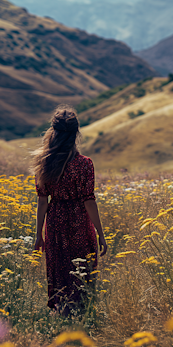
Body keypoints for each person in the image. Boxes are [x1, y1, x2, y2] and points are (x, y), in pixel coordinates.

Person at [31, 105, 107, 315]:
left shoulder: (43, 162)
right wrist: (101, 233)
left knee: (60, 267)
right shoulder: (84, 164)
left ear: (53, 132)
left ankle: (62, 311)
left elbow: (42, 201)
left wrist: (38, 234)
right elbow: (88, 201)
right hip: (79, 221)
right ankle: (83, 313)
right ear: (76, 134)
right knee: (83, 267)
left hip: (55, 220)